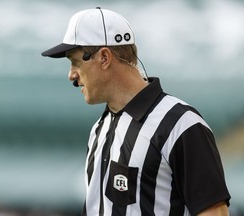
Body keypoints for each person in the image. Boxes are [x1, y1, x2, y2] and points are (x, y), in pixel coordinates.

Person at [42, 7, 231, 216]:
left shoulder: (181, 125)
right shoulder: (99, 129)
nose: (71, 75)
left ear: (104, 57)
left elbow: (214, 212)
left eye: (75, 62)